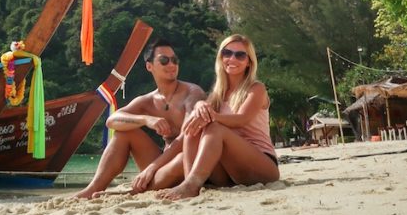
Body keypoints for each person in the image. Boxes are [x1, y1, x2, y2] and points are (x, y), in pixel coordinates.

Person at [73, 38, 206, 199]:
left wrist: (152, 167)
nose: (171, 65)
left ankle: (134, 191)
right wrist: (145, 119)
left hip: (186, 161)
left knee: (181, 158)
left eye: (174, 60)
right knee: (124, 133)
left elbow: (187, 135)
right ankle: (93, 188)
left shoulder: (192, 92)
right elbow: (112, 121)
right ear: (149, 66)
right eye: (164, 60)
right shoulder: (147, 101)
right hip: (163, 162)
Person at [157, 33, 279, 200]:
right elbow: (199, 118)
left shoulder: (256, 88)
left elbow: (241, 119)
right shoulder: (218, 94)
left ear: (249, 62)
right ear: (221, 58)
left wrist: (212, 116)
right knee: (196, 124)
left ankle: (190, 185)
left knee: (214, 128)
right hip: (231, 172)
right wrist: (200, 106)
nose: (232, 58)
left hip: (262, 165)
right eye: (227, 53)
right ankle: (188, 181)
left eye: (240, 55)